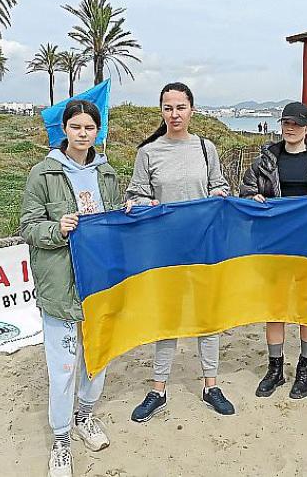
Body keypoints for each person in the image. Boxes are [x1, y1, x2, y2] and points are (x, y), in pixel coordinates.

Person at [21, 100, 121, 477]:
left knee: (97, 356)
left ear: (98, 131)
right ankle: (61, 439)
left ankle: (85, 417)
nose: (82, 133)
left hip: (100, 282)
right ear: (64, 129)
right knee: (63, 365)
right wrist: (56, 228)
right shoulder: (43, 173)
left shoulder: (107, 173)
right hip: (61, 284)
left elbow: (113, 221)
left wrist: (129, 213)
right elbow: (29, 226)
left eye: (89, 127)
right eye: (75, 127)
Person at [125, 82, 235, 421]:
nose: (174, 114)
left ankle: (211, 385)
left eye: (180, 107)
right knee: (167, 318)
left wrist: (219, 194)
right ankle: (158, 389)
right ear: (161, 111)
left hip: (204, 248)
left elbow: (220, 185)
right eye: (168, 108)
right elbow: (135, 194)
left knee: (208, 317)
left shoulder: (205, 148)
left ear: (192, 110)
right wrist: (143, 203)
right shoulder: (148, 152)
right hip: (166, 251)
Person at [240, 101, 307, 399]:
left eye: (297, 124)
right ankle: (275, 368)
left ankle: (304, 369)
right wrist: (252, 198)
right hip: (274, 246)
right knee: (274, 307)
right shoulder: (265, 160)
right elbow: (246, 191)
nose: (290, 128)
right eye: (286, 123)